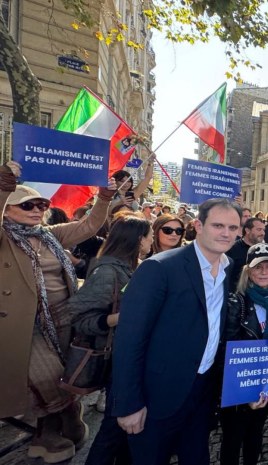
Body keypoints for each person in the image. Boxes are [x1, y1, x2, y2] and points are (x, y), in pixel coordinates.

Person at [1, 161, 116, 463]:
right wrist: (3, 184)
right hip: (25, 324)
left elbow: (89, 226)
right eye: (28, 204)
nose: (37, 209)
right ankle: (51, 428)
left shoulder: (50, 234)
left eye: (42, 204)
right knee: (48, 376)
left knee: (70, 372)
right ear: (7, 209)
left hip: (65, 315)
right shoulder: (3, 239)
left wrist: (103, 198)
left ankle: (61, 422)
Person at [111, 198, 241, 464]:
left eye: (233, 227)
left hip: (202, 393)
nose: (226, 233)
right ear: (198, 226)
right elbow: (129, 340)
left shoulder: (228, 269)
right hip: (157, 395)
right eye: (218, 225)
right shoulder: (159, 268)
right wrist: (128, 404)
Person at [69, 215, 152, 465]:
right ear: (139, 240)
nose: (151, 242)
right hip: (116, 359)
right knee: (113, 429)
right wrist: (121, 318)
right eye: (149, 237)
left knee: (128, 431)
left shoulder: (136, 265)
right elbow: (79, 318)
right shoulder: (106, 271)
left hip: (134, 355)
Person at [220, 243, 268, 465]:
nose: (264, 273)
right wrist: (245, 393)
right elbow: (227, 351)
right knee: (233, 437)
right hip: (240, 385)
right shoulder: (236, 302)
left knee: (255, 433)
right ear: (248, 270)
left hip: (266, 380)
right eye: (258, 267)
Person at [227, 217, 266, 290]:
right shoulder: (231, 249)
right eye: (259, 229)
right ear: (247, 230)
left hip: (259, 295)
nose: (262, 233)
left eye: (263, 230)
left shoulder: (265, 250)